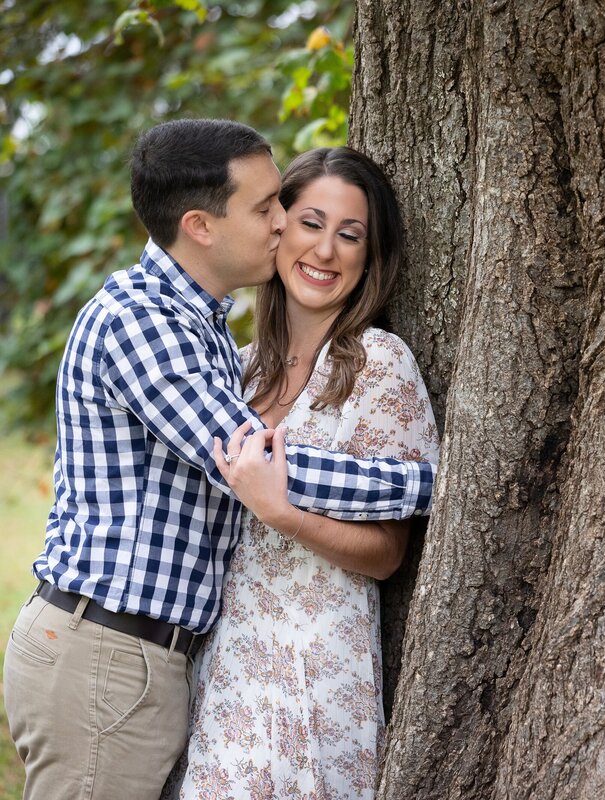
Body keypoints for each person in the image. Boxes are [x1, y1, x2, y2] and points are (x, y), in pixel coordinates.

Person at [2, 120, 436, 800]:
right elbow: (251, 461)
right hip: (112, 652)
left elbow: (369, 545)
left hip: (238, 669)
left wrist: (288, 508)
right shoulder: (152, 327)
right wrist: (431, 487)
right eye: (276, 211)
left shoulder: (218, 338)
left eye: (347, 233)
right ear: (203, 226)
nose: (286, 227)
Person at [173, 147, 438, 798]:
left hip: (317, 671)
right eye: (311, 223)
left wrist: (282, 512)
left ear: (369, 258)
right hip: (224, 664)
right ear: (276, 227)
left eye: (350, 236)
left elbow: (386, 554)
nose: (325, 251)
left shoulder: (377, 364)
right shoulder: (233, 372)